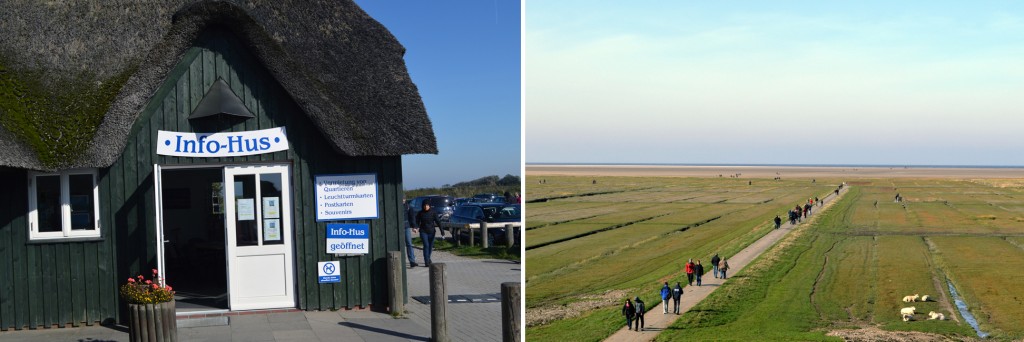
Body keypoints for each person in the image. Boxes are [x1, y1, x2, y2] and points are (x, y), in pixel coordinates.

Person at [404, 199, 418, 268]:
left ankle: (412, 261)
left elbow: (412, 217)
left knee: (409, 244)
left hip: (406, 227)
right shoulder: (395, 206)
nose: (402, 200)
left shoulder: (408, 207)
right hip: (397, 228)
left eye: (403, 199)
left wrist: (414, 227)